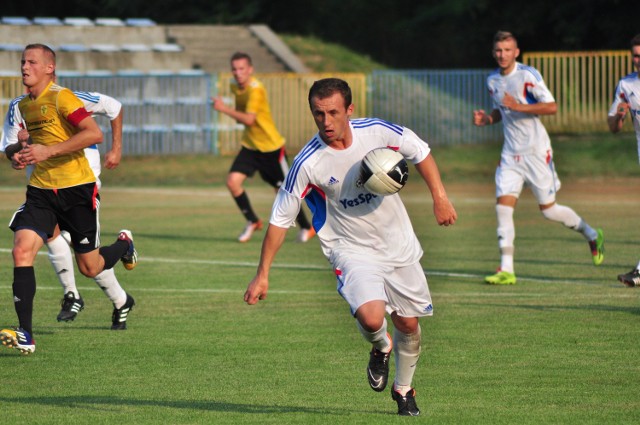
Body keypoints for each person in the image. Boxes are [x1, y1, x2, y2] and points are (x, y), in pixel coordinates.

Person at [244, 78, 457, 416]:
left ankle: (403, 389)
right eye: (318, 114)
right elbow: (280, 220)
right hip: (350, 248)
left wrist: (440, 198)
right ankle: (380, 346)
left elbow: (420, 150)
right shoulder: (307, 162)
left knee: (410, 325)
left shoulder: (375, 132)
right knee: (373, 319)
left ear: (349, 110)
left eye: (333, 112)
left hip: (397, 243)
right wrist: (262, 274)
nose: (326, 122)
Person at [0, 44, 137, 355]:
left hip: (77, 191)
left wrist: (47, 151)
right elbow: (9, 149)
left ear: (49, 68)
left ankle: (124, 245)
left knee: (91, 266)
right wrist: (18, 153)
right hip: (40, 192)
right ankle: (26, 334)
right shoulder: (22, 106)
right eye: (22, 61)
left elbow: (93, 134)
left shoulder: (63, 97)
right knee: (21, 250)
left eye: (32, 62)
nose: (24, 67)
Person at [472, 30, 604, 285]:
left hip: (536, 152)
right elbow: (501, 111)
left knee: (549, 211)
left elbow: (551, 106)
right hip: (510, 154)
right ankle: (507, 269)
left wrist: (519, 105)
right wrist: (488, 119)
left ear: (516, 52)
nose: (502, 55)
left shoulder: (527, 75)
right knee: (502, 207)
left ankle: (591, 234)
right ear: (493, 52)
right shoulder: (492, 81)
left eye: (507, 50)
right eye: (498, 50)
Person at [212, 52, 314, 243]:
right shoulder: (235, 87)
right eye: (234, 69)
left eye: (242, 68)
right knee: (233, 182)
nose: (238, 73)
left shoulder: (256, 89)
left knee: (285, 191)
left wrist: (223, 108)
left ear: (250, 69)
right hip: (251, 146)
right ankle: (253, 221)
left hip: (271, 148)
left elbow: (250, 119)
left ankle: (307, 227)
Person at [607, 33, 640, 287]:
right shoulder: (626, 86)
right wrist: (619, 116)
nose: (639, 60)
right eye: (636, 56)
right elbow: (613, 127)